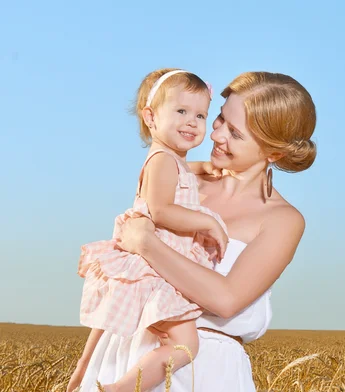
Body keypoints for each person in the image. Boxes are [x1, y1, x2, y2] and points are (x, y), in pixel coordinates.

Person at [75, 71, 317, 391]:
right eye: (219, 119)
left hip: (205, 369)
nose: (216, 135)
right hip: (122, 354)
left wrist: (146, 242)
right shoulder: (180, 175)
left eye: (235, 132)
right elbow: (126, 275)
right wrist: (86, 363)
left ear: (274, 153)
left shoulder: (282, 220)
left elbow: (227, 299)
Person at [68, 68, 229, 392]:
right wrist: (208, 222)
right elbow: (161, 210)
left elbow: (180, 174)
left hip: (158, 261)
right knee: (186, 345)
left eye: (200, 115)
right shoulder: (162, 162)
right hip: (156, 267)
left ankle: (88, 371)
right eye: (181, 111)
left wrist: (202, 167)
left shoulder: (172, 161)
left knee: (111, 328)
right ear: (151, 118)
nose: (192, 122)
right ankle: (124, 387)